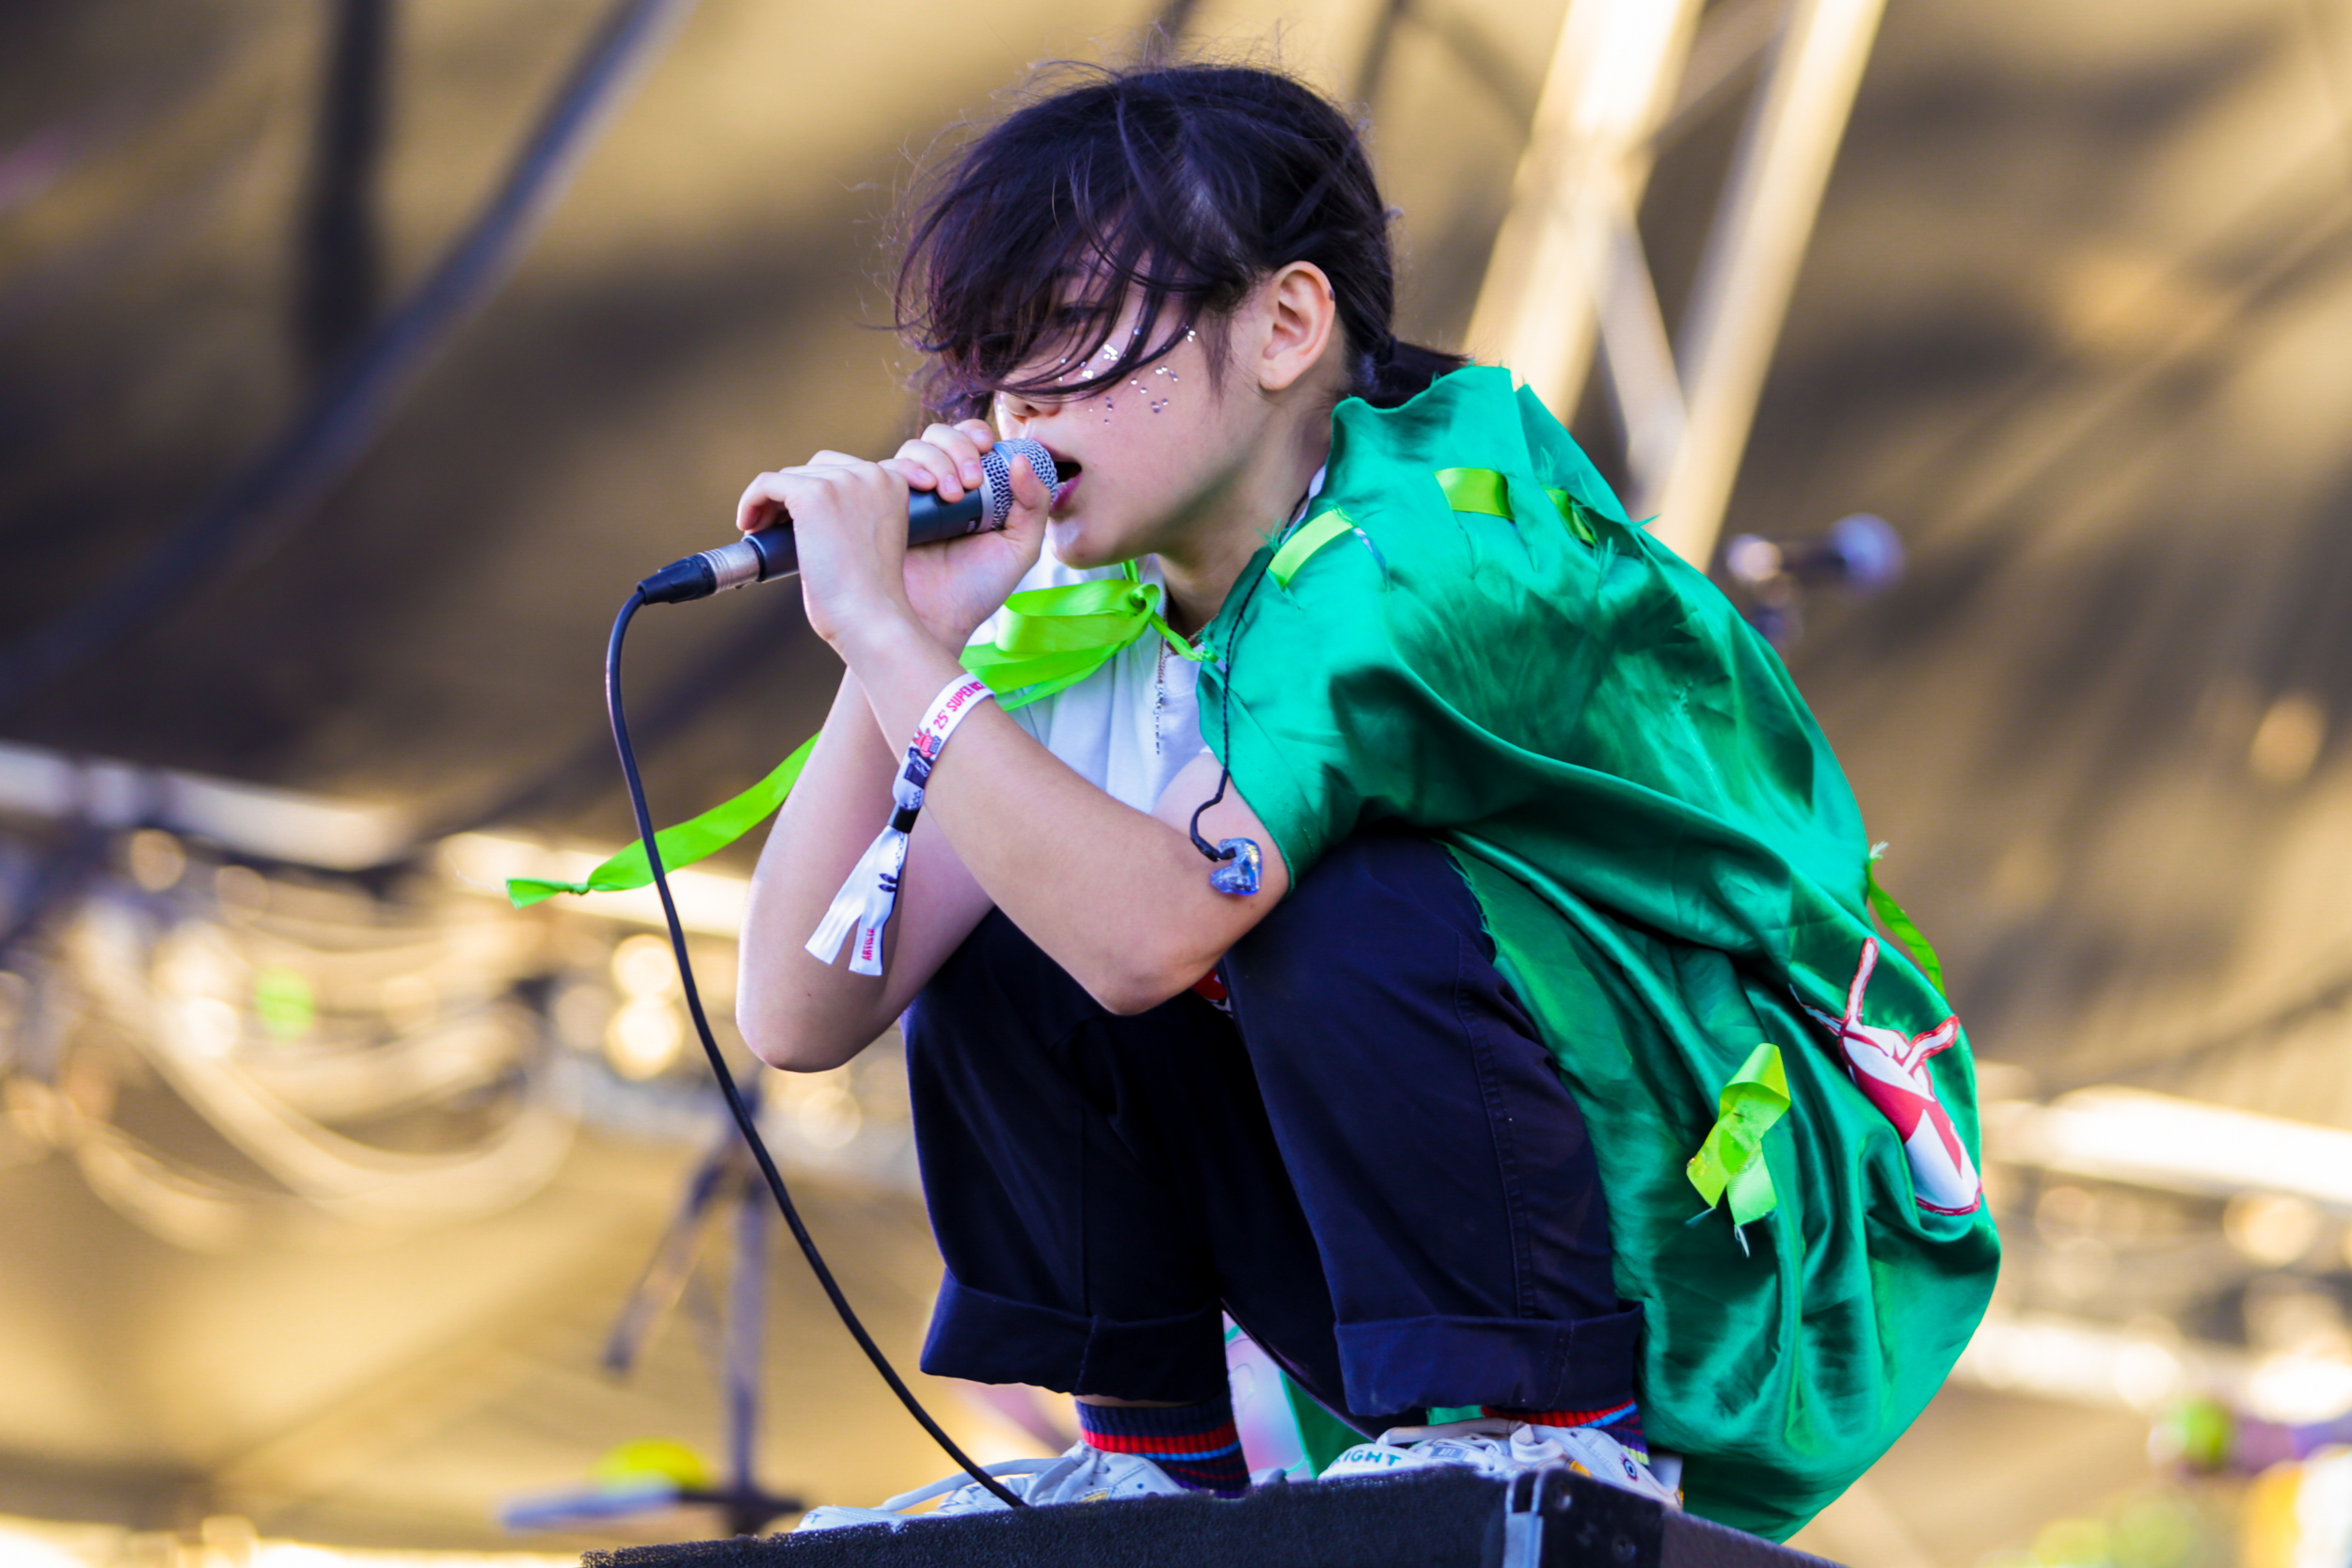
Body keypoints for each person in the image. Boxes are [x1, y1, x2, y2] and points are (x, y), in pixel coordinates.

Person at [726, 59, 1999, 1541]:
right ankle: (1152, 1453)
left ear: (1285, 324)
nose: (1020, 402)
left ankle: (1540, 1433)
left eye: (1074, 332)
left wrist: (890, 644)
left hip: (1752, 1246)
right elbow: (797, 1011)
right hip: (1464, 1221)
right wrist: (912, 636)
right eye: (999, 356)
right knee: (1029, 889)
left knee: (1324, 899)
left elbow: (1150, 934)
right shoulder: (1096, 600)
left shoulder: (1424, 551)